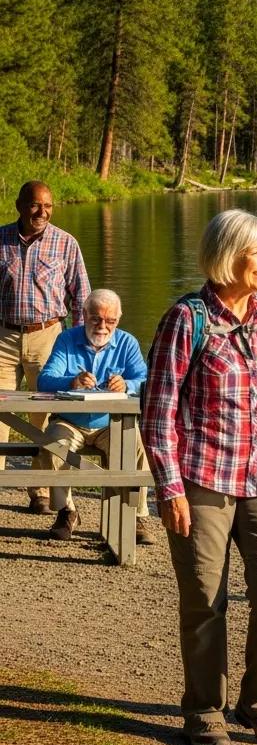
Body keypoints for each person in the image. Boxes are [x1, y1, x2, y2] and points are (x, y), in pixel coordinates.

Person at [142, 209, 257, 745]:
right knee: (204, 599)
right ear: (227, 256)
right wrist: (170, 488)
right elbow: (158, 410)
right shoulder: (186, 319)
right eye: (256, 252)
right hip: (203, 480)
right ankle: (203, 709)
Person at [37, 288, 156, 544]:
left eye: (110, 321)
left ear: (118, 319)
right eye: (96, 319)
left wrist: (127, 385)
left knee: (137, 445)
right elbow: (44, 380)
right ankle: (66, 511)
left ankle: (134, 515)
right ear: (83, 315)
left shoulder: (127, 342)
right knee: (52, 444)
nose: (103, 326)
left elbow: (146, 381)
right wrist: (72, 381)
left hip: (112, 422)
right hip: (70, 421)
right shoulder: (67, 339)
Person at [0, 181, 91, 513]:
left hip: (48, 338)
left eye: (48, 205)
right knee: (0, 416)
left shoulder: (65, 243)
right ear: (19, 205)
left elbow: (81, 296)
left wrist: (81, 345)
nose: (42, 212)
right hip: (3, 337)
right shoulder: (1, 239)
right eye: (35, 205)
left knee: (45, 417)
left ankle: (39, 489)